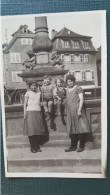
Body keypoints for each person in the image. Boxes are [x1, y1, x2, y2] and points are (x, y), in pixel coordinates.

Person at [65, 74, 91, 152]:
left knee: (80, 128)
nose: (70, 83)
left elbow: (81, 99)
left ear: (74, 81)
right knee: (72, 128)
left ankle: (81, 146)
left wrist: (79, 110)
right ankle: (73, 146)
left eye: (71, 81)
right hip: (70, 111)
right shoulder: (67, 89)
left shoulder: (78, 88)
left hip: (77, 110)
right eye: (68, 81)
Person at [24, 81, 46, 153]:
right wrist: (24, 113)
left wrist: (42, 104)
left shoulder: (39, 93)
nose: (33, 87)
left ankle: (37, 146)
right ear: (30, 86)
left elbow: (41, 101)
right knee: (31, 130)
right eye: (32, 86)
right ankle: (32, 147)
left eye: (35, 86)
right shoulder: (28, 93)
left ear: (36, 86)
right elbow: (24, 104)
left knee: (37, 130)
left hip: (38, 112)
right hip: (30, 112)